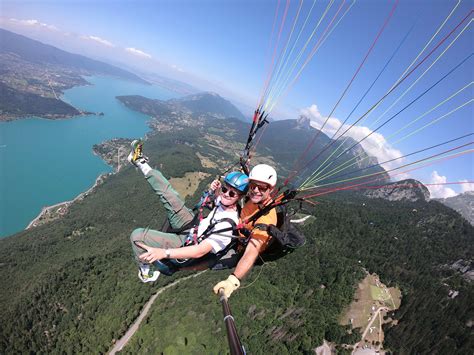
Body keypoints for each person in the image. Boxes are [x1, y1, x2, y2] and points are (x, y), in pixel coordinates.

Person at [128, 140, 249, 283]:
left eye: (232, 194)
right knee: (170, 195)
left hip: (187, 245)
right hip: (193, 227)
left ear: (240, 197)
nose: (226, 194)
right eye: (225, 189)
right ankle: (139, 162)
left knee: (137, 236)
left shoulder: (228, 225)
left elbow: (200, 251)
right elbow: (217, 199)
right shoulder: (224, 201)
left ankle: (145, 271)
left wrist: (164, 253)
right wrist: (214, 191)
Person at [213, 164, 278, 297]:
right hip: (235, 235)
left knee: (203, 260)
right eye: (253, 185)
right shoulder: (255, 200)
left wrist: (233, 280)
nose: (255, 190)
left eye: (262, 187)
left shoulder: (266, 219)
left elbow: (252, 251)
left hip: (238, 251)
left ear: (271, 189)